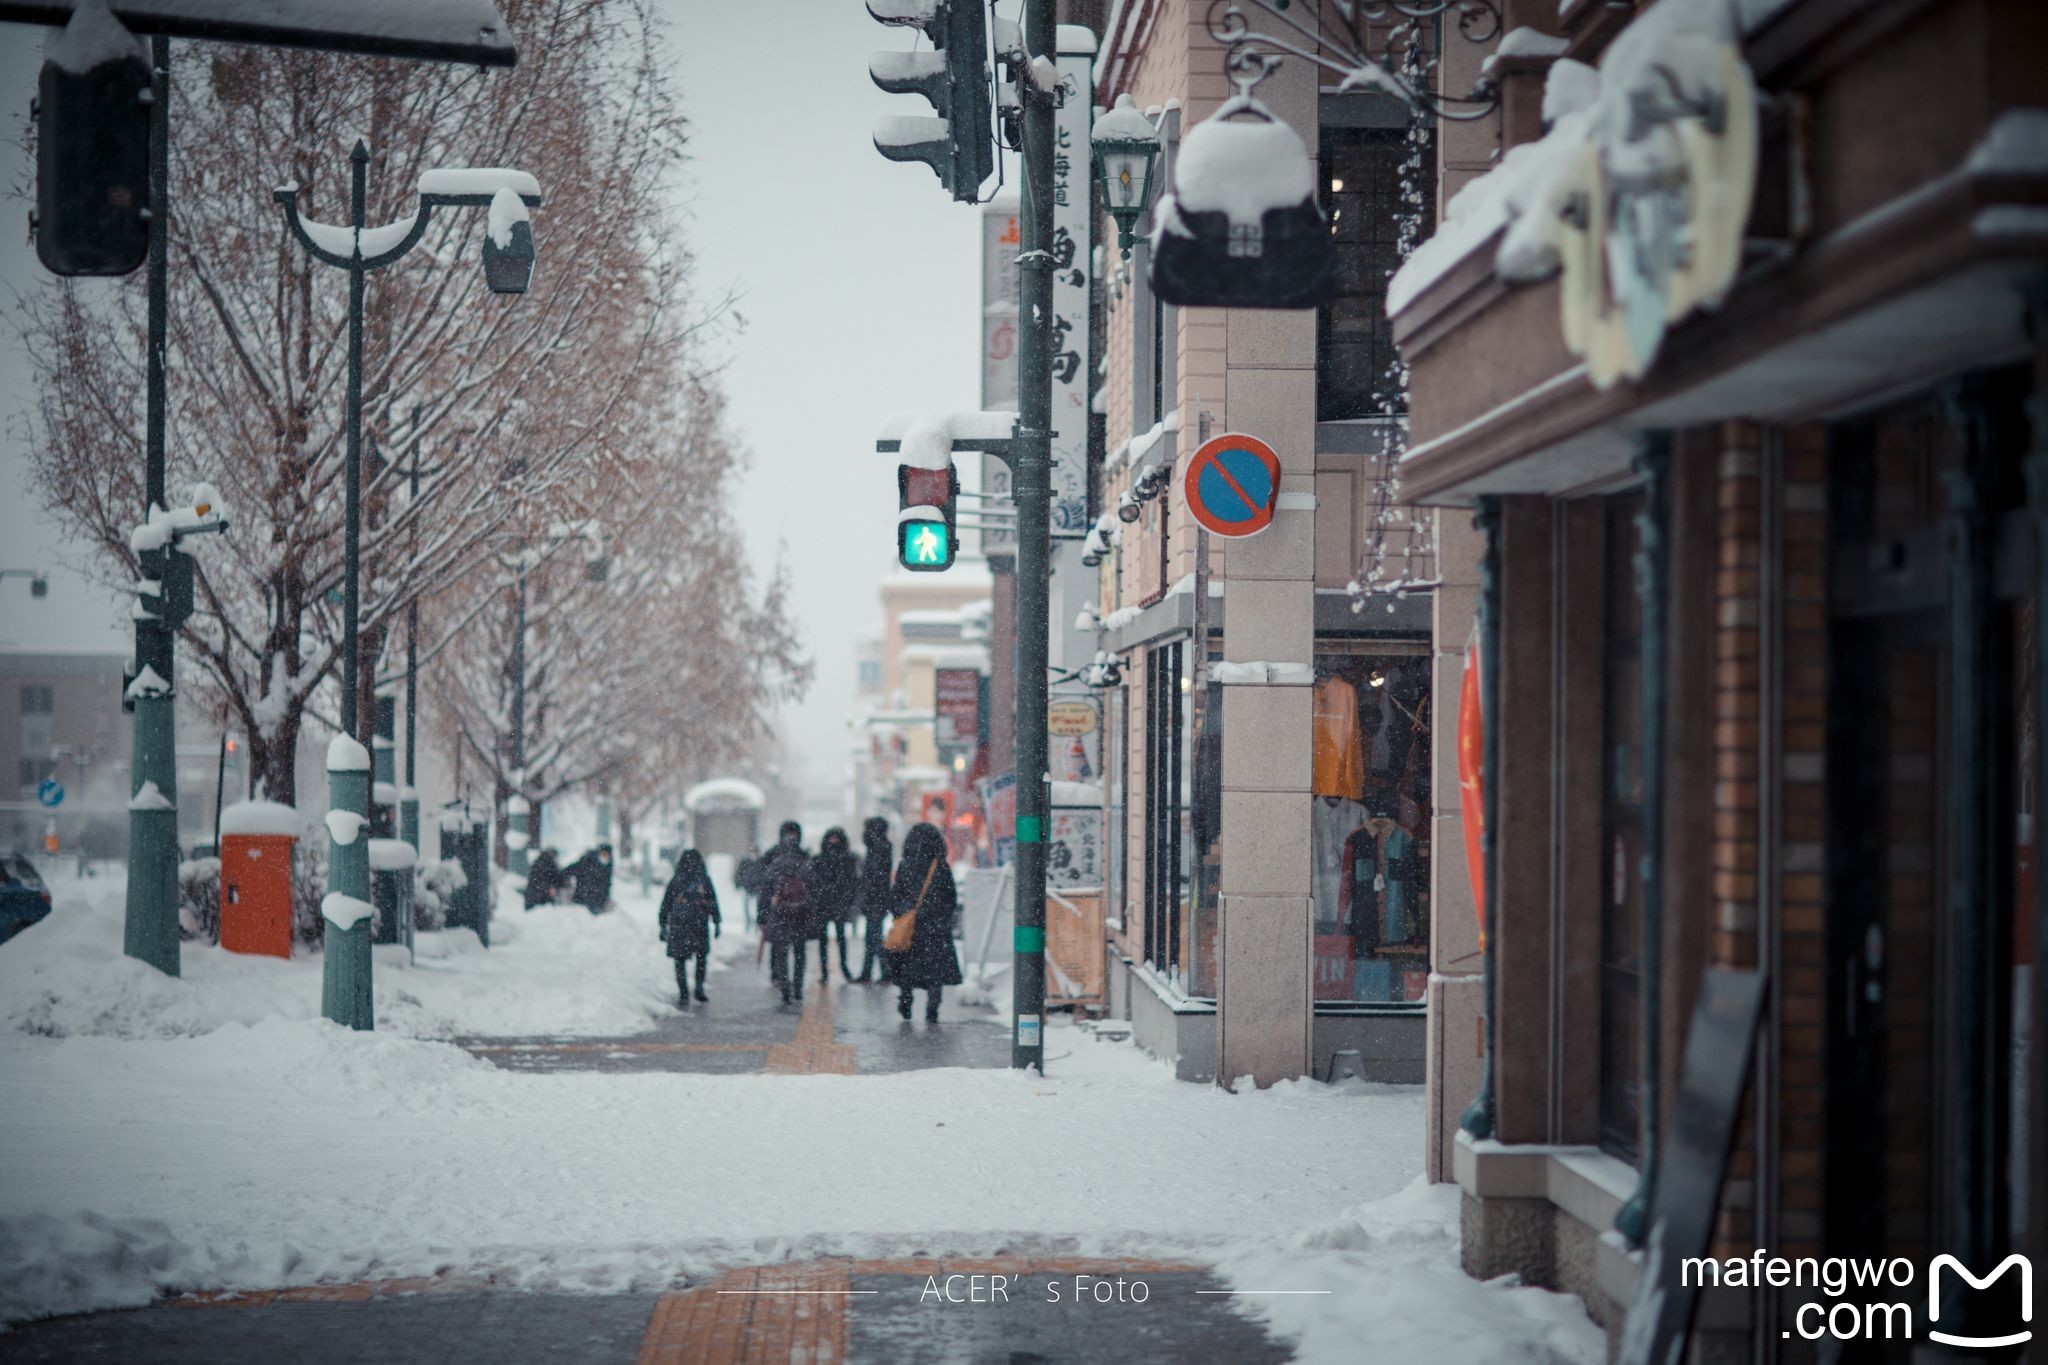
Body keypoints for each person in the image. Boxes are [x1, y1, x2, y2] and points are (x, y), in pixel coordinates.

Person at [885, 822, 963, 1023]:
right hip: (936, 930)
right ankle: (933, 1007)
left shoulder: (905, 866)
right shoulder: (941, 867)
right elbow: (951, 899)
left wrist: (904, 913)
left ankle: (906, 1001)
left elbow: (895, 897)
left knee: (907, 970)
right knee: (935, 972)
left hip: (912, 930)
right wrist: (940, 918)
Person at [760, 821, 817, 1006]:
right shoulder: (805, 863)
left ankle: (784, 987)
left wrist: (762, 916)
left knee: (781, 952)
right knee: (800, 953)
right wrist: (812, 914)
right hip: (800, 914)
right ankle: (798, 989)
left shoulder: (775, 864)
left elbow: (765, 892)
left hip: (780, 915)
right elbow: (814, 891)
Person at [658, 849, 721, 1007]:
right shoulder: (704, 880)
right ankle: (699, 988)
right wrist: (717, 922)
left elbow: (666, 903)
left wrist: (662, 923)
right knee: (701, 957)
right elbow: (713, 902)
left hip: (680, 925)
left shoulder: (677, 879)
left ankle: (684, 993)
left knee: (680, 960)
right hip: (699, 924)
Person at [812, 827, 859, 984]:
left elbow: (852, 882)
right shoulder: (823, 859)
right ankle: (827, 971)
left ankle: (841, 968)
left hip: (835, 903)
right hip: (827, 903)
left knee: (838, 938)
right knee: (826, 939)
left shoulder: (845, 859)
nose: (833, 842)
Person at [854, 817, 893, 984]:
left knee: (873, 937)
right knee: (872, 937)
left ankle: (884, 971)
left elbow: (874, 878)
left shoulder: (877, 849)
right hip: (877, 900)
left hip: (875, 900)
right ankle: (869, 972)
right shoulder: (881, 847)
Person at [563, 843, 614, 914]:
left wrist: (605, 899)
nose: (605, 857)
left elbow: (607, 884)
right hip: (582, 901)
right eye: (603, 854)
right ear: (598, 853)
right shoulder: (587, 862)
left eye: (607, 855)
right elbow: (570, 870)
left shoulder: (608, 867)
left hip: (598, 903)